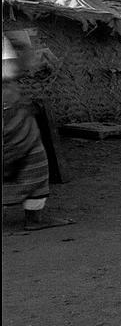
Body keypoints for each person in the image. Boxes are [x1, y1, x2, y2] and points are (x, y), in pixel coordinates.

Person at [2, 33, 72, 231]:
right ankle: (33, 219)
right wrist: (27, 56)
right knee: (33, 158)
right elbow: (9, 70)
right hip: (7, 108)